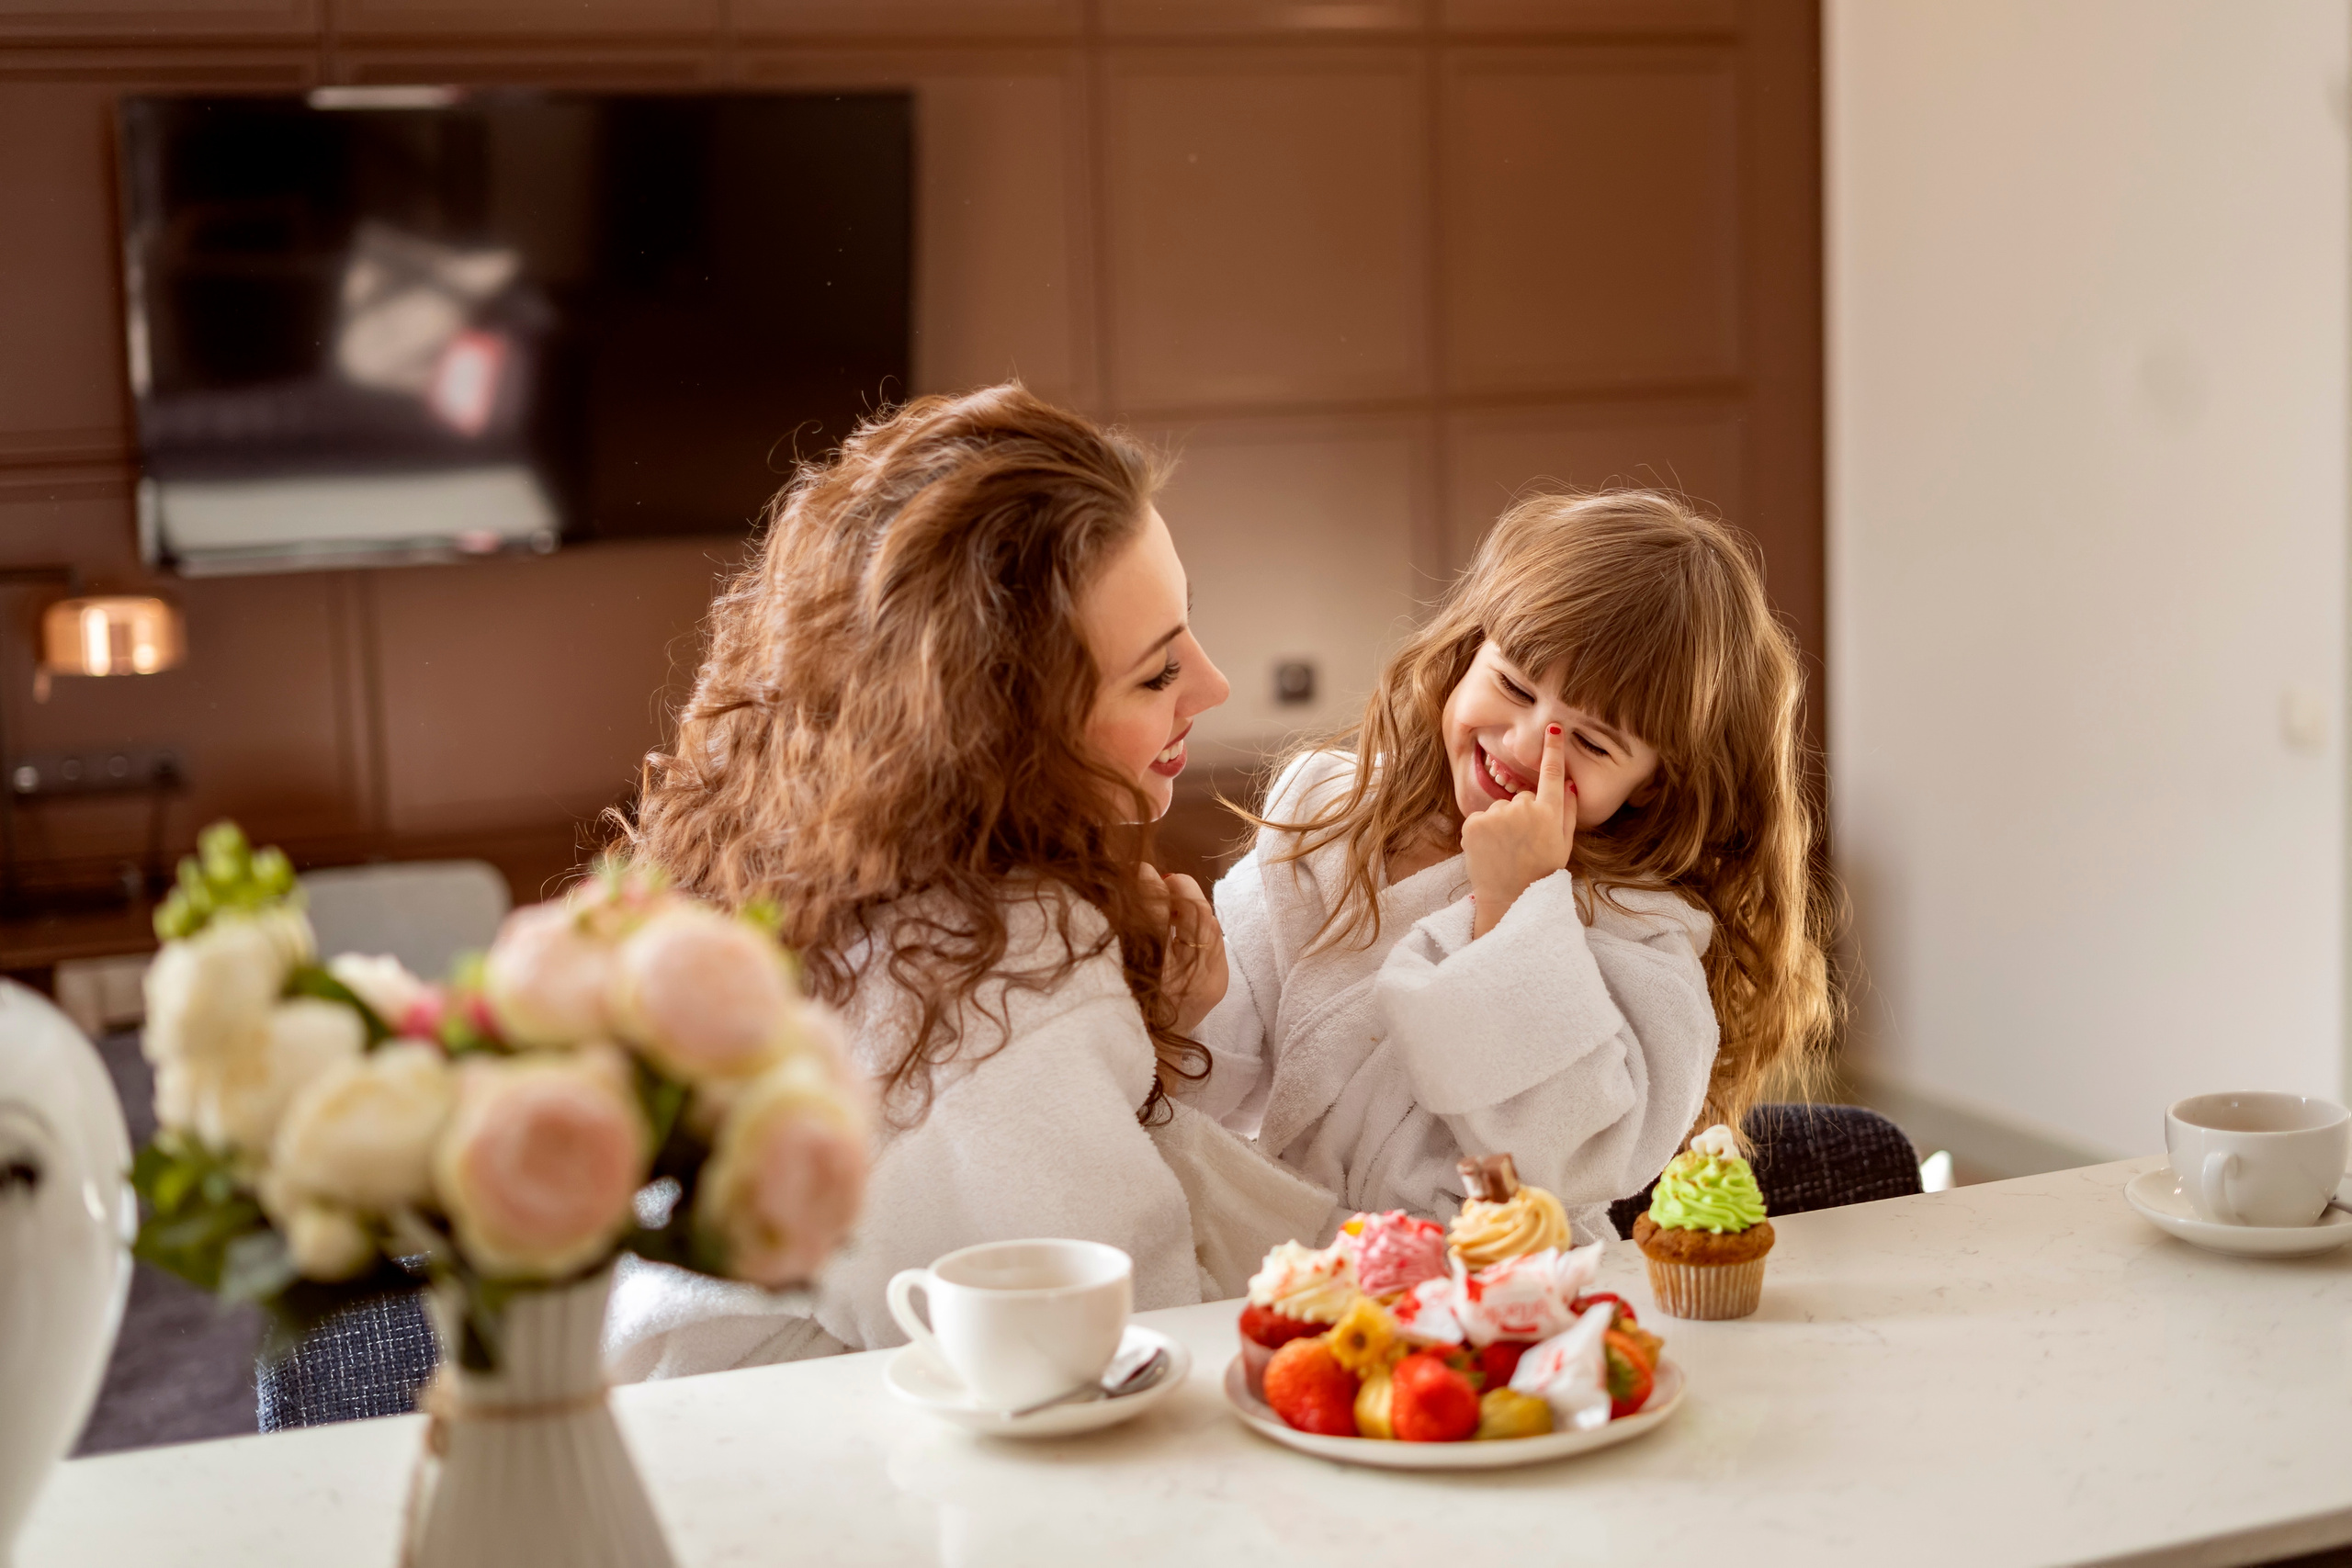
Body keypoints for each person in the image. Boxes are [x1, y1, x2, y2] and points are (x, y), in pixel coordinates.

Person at [609, 383, 1332, 1375]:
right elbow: (1117, 1358)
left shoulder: (802, 851)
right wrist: (1122, 1047)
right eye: (1157, 673)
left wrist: (1141, 1038)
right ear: (999, 726)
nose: (1211, 686)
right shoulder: (990, 963)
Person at [1187, 490, 1837, 1245]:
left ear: (1653, 781)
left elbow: (1577, 1154)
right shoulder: (1334, 811)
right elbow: (1218, 1069)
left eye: (1590, 744)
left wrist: (1516, 910)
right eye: (1514, 686)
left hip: (1497, 1286)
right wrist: (1186, 998)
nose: (1527, 745)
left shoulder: (1641, 925)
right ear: (1469, 652)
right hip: (1301, 1263)